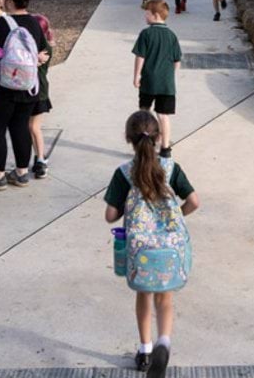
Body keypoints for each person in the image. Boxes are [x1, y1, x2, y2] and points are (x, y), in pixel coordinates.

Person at [105, 110, 199, 378]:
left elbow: (110, 215)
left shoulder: (124, 173)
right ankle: (163, 343)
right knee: (165, 299)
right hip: (170, 247)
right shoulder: (171, 169)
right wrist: (177, 214)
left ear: (128, 139)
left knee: (144, 295)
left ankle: (145, 351)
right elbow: (194, 202)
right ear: (158, 138)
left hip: (141, 250)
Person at [0, 0, 51, 189]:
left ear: (10, 2)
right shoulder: (35, 23)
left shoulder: (4, 24)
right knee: (20, 128)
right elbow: (41, 54)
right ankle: (21, 174)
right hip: (28, 86)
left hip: (4, 87)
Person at [132, 0, 181, 155]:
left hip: (148, 81)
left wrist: (136, 75)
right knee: (163, 115)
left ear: (155, 15)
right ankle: (165, 147)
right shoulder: (172, 36)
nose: (145, 16)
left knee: (145, 114)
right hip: (166, 84)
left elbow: (140, 57)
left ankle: (144, 146)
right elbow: (177, 61)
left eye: (147, 13)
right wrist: (169, 75)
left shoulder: (146, 34)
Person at [28, 11, 57, 179]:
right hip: (26, 91)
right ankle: (35, 156)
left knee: (33, 127)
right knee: (26, 127)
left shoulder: (44, 50)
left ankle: (41, 160)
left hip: (39, 92)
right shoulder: (34, 48)